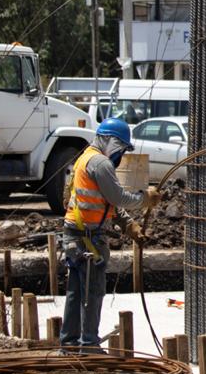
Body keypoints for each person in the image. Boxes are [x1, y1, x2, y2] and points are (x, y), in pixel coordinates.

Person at [60, 118, 161, 352]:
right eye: (122, 149)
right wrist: (145, 198)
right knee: (92, 291)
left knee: (76, 290)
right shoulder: (101, 163)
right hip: (87, 237)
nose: (121, 155)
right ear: (112, 141)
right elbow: (117, 198)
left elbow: (107, 204)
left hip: (75, 233)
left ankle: (70, 343)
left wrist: (129, 225)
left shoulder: (85, 158)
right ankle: (89, 346)